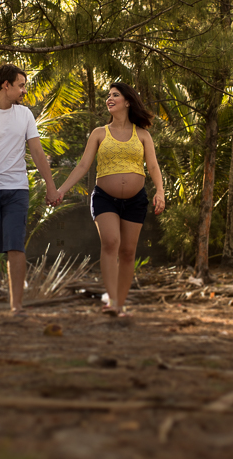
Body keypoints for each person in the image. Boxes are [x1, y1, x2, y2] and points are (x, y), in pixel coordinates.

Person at [56, 81, 165, 317]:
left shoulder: (143, 135)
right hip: (105, 198)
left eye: (115, 95)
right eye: (108, 95)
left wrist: (160, 191)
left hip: (136, 200)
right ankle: (112, 299)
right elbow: (83, 165)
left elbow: (153, 166)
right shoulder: (99, 133)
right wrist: (61, 190)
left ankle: (119, 305)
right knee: (111, 243)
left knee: (127, 252)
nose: (110, 98)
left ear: (127, 101)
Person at [0, 63, 59, 314]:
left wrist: (51, 186)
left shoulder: (25, 115)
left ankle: (17, 306)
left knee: (16, 246)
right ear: (6, 85)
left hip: (17, 189)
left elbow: (37, 152)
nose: (24, 91)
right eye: (21, 85)